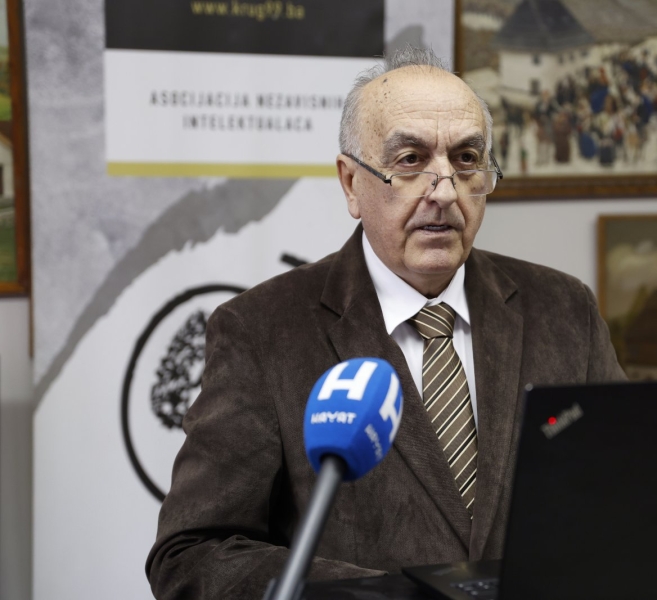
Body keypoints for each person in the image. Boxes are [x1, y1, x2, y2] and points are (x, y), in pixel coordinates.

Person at [146, 47, 625, 599]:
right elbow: (192, 553)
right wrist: (386, 595)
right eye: (410, 160)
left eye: (466, 159)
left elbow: (630, 493)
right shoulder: (261, 330)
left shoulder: (563, 309)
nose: (444, 191)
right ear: (351, 183)